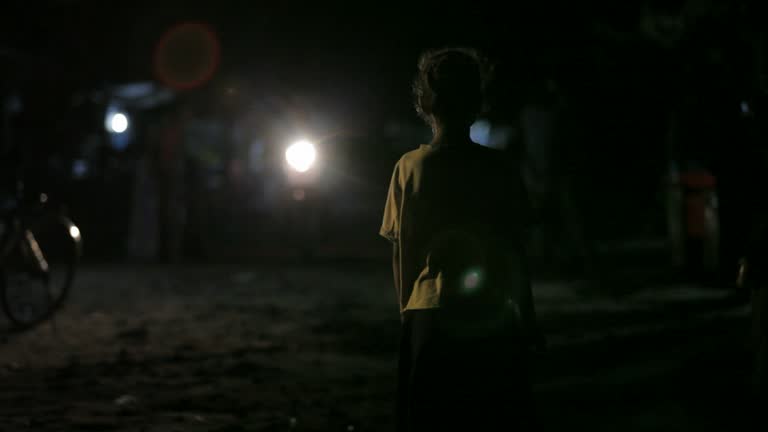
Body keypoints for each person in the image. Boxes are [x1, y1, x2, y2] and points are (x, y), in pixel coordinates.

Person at [380, 47, 542, 431]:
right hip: (490, 315)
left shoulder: (410, 168)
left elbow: (401, 251)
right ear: (479, 102)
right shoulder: (499, 169)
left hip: (429, 317)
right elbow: (516, 249)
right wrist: (529, 319)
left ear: (424, 101)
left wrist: (408, 313)